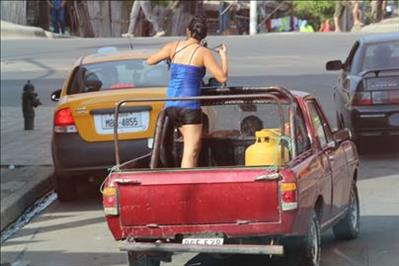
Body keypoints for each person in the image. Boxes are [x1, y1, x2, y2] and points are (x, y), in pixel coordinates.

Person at [146, 16, 228, 168]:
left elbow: (150, 60)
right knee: (191, 151)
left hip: (170, 107)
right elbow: (222, 77)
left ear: (188, 31)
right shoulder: (203, 52)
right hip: (189, 107)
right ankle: (187, 187)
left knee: (189, 147)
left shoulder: (173, 47)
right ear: (204, 35)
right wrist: (223, 56)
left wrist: (169, 58)